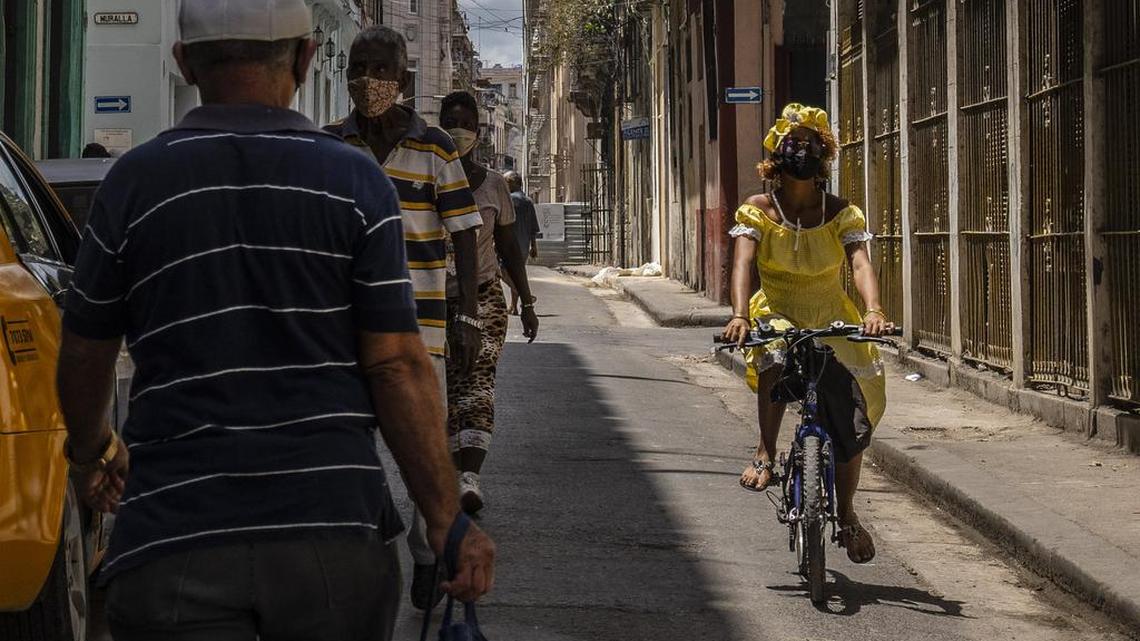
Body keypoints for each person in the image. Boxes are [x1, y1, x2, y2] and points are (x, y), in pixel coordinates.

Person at [55, 2, 494, 640]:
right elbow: (396, 365)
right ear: (306, 58)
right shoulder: (354, 182)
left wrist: (91, 452)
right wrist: (444, 518)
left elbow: (86, 350)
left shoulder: (133, 183)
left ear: (184, 61)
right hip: (332, 539)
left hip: (174, 538)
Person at [324, 25, 485, 611]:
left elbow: (465, 234)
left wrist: (468, 315)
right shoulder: (328, 145)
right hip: (342, 326)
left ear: (406, 80)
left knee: (426, 442)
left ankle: (425, 549)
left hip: (423, 324)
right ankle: (356, 546)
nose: (369, 81)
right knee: (346, 440)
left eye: (381, 70)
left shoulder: (436, 146)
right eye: (359, 68)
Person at [721, 103, 893, 565]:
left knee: (850, 416)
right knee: (774, 355)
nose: (802, 152)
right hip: (776, 310)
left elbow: (859, 263)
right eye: (792, 145)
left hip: (830, 317)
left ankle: (850, 513)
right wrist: (739, 314)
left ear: (825, 157)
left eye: (811, 145)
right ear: (776, 156)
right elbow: (742, 264)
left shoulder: (841, 213)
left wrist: (872, 310)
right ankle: (765, 451)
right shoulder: (757, 210)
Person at [439, 92, 539, 515]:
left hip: (483, 299)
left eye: (465, 123)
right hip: (431, 300)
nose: (457, 130)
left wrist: (527, 301)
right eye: (449, 121)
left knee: (477, 386)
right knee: (444, 391)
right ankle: (445, 473)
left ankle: (469, 477)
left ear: (478, 133)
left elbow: (509, 250)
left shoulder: (495, 185)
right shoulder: (427, 178)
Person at [502, 170, 539, 315]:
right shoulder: (528, 201)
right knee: (516, 273)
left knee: (502, 272)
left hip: (508, 244)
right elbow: (533, 227)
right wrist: (534, 246)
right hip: (523, 246)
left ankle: (525, 296)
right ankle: (513, 306)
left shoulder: (508, 200)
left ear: (511, 183)